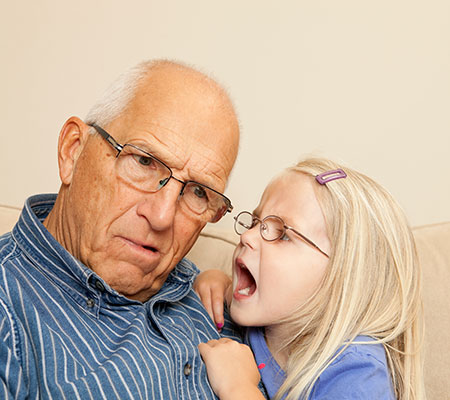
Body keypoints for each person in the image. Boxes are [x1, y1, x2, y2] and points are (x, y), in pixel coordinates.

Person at [0, 60, 246, 399]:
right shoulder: (10, 313)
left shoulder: (218, 301)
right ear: (73, 151)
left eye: (198, 192)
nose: (161, 217)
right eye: (144, 161)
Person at [196, 157, 425, 400]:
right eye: (255, 222)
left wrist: (239, 388)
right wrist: (216, 281)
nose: (248, 237)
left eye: (282, 234)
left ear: (342, 278)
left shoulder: (357, 373)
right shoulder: (263, 318)